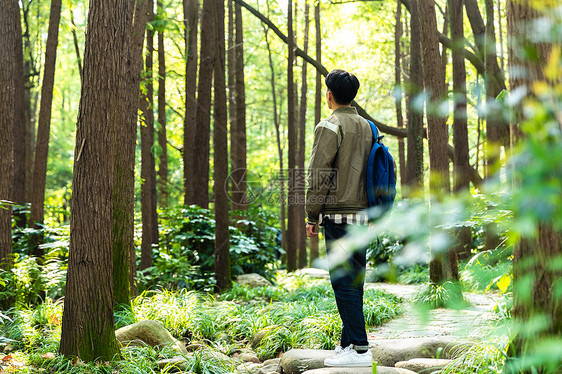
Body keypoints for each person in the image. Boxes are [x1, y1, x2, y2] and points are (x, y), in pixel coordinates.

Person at [305, 69, 373, 367]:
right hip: (364, 214)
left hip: (338, 215)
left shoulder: (329, 126)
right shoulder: (368, 127)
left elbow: (318, 175)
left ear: (329, 94)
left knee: (343, 280)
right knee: (354, 281)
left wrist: (311, 214)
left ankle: (360, 349)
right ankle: (348, 344)